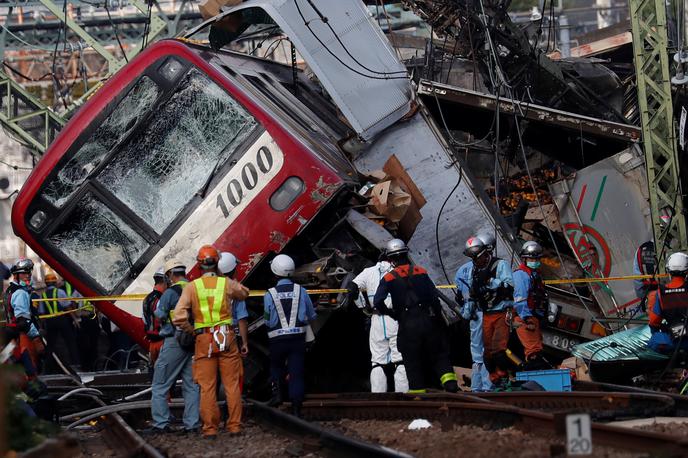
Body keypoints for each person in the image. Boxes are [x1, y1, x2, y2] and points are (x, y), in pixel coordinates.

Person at [173, 245, 249, 438]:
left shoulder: (192, 287)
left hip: (204, 339)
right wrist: (223, 275)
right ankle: (234, 426)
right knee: (231, 384)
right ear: (217, 263)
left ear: (199, 265)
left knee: (207, 387)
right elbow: (244, 292)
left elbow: (179, 317)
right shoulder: (226, 284)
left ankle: (210, 429)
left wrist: (193, 331)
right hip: (226, 338)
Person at [374, 239, 458, 394]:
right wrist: (437, 319)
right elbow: (434, 298)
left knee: (412, 359)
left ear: (391, 259)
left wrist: (391, 314)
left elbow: (377, 301)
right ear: (406, 254)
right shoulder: (421, 272)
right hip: (429, 321)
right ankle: (450, 384)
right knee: (439, 354)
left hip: (407, 324)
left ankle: (418, 394)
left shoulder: (388, 278)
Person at [148, 259, 200, 434]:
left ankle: (160, 423)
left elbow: (159, 314)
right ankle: (192, 424)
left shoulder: (170, 292)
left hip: (174, 342)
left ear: (170, 275)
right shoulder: (195, 288)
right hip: (194, 340)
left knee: (160, 384)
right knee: (191, 386)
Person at [263, 254, 317, 417]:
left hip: (277, 341)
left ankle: (277, 396)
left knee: (276, 367)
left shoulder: (269, 294)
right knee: (296, 371)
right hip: (297, 340)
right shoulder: (302, 291)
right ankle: (296, 406)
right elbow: (311, 315)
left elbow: (267, 320)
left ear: (274, 272)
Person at [456, 236, 513, 384]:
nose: (475, 260)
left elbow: (510, 285)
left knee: (498, 349)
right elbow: (470, 293)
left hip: (500, 311)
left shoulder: (500, 265)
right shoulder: (472, 270)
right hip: (485, 313)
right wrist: (467, 310)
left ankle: (503, 376)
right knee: (486, 352)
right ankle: (491, 380)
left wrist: (492, 283)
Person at [349, 253, 408, 393]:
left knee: (377, 362)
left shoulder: (368, 272)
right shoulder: (398, 270)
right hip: (395, 318)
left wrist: (362, 307)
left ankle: (378, 395)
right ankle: (403, 395)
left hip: (376, 320)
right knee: (400, 359)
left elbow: (353, 289)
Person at [512, 241, 549, 369]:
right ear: (524, 258)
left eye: (537, 258)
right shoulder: (521, 275)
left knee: (537, 349)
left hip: (533, 316)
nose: (535, 261)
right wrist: (527, 319)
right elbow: (520, 299)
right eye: (532, 258)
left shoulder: (534, 274)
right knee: (533, 353)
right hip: (524, 318)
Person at [3, 259, 43, 378]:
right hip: (24, 337)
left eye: (29, 273)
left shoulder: (9, 290)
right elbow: (23, 321)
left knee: (19, 373)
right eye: (24, 273)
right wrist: (36, 338)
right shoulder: (20, 293)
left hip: (14, 338)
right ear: (16, 275)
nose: (28, 276)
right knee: (31, 374)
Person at [39, 271, 80, 371]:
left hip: (50, 321)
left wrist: (42, 326)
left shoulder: (42, 295)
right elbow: (67, 307)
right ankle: (76, 363)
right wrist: (75, 319)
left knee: (50, 345)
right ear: (55, 282)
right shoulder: (60, 292)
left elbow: (42, 312)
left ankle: (48, 368)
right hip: (61, 320)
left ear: (46, 283)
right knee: (70, 341)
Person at [648, 252, 688, 354]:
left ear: (668, 271)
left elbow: (653, 321)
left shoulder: (661, 293)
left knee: (654, 340)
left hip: (674, 342)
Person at [65, 280, 100, 372]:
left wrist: (76, 313)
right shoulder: (92, 290)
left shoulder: (79, 290)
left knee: (87, 344)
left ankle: (88, 366)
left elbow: (72, 301)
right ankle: (92, 366)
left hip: (86, 318)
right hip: (90, 318)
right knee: (91, 344)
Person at [218, 252, 249, 357]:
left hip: (214, 337)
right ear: (234, 270)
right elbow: (242, 320)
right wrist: (244, 343)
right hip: (232, 336)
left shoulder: (211, 290)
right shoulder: (237, 291)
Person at [142, 267, 167, 367]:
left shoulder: (146, 299)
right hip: (163, 343)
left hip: (152, 345)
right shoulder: (162, 298)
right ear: (165, 281)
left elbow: (144, 319)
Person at [633, 240, 658, 310]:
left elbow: (637, 277)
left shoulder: (640, 250)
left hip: (648, 292)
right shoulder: (665, 247)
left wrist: (642, 297)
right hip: (664, 291)